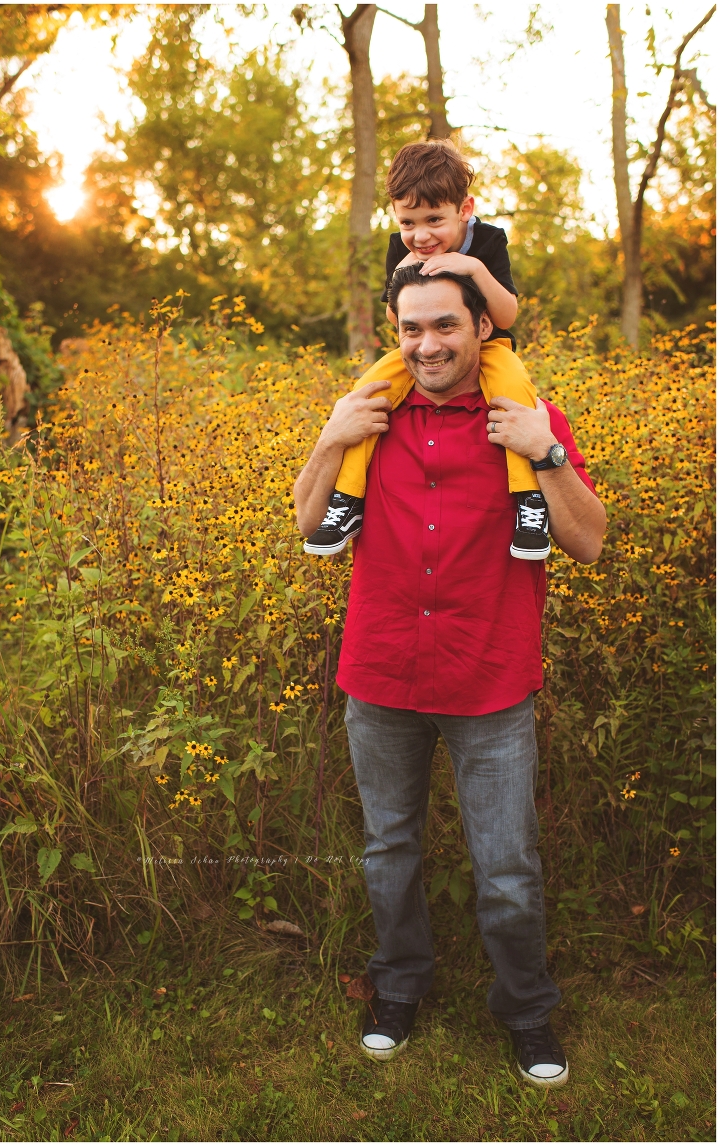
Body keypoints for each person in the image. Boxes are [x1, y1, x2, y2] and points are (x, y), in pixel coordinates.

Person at [293, 265, 606, 1087]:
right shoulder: (368, 418)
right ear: (393, 334)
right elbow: (307, 523)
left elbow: (589, 540)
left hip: (489, 679)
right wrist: (330, 435)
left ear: (480, 329)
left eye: (444, 327)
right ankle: (396, 988)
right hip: (382, 673)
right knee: (388, 847)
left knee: (507, 865)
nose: (427, 344)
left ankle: (527, 1008)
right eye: (411, 329)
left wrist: (545, 453)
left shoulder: (526, 417)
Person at [304, 139, 550, 562]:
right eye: (408, 223)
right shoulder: (402, 250)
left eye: (434, 219)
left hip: (489, 348)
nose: (421, 235)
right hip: (419, 348)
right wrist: (400, 277)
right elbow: (394, 321)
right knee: (367, 394)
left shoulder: (487, 242)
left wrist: (472, 269)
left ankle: (529, 501)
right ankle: (346, 502)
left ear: (464, 210)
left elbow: (506, 315)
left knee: (514, 393)